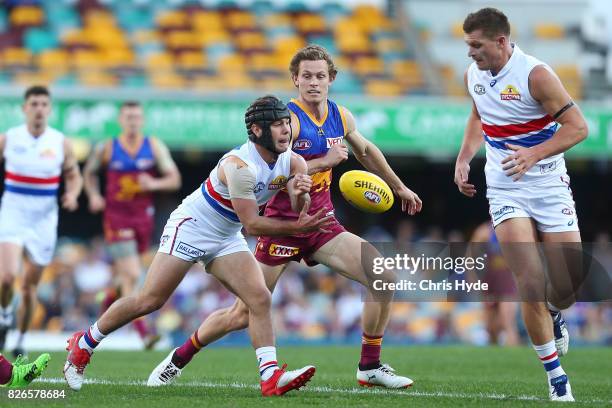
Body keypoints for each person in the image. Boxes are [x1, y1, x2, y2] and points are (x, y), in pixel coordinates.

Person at [149, 45, 422, 389]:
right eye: (306, 76)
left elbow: (365, 150)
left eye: (320, 76)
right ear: (295, 79)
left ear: (331, 79)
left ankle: (369, 366)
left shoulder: (341, 116)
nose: (313, 83)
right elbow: (280, 172)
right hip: (282, 225)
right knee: (242, 313)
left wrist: (399, 187)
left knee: (383, 277)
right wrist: (326, 160)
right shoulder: (287, 121)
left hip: (321, 224)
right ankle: (180, 357)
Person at [63, 95, 333, 396]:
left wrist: (300, 193)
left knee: (259, 298)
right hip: (192, 227)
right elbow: (253, 224)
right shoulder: (239, 166)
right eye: (278, 125)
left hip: (226, 233)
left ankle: (269, 376)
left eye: (287, 124)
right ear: (257, 131)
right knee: (149, 300)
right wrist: (298, 227)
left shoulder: (294, 161)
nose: (286, 131)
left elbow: (298, 205)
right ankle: (84, 343)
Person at [454, 8, 587, 401]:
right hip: (505, 186)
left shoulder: (536, 75)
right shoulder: (473, 75)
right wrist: (464, 157)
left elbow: (578, 127)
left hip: (548, 185)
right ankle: (555, 375)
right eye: (466, 46)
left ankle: (555, 309)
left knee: (565, 288)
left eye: (476, 45)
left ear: (501, 41)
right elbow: (479, 116)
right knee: (528, 280)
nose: (470, 53)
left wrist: (533, 155)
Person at [83, 101, 181, 349]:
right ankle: (144, 332)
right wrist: (94, 195)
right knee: (135, 274)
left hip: (142, 219)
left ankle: (109, 299)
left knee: (127, 277)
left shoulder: (154, 146)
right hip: (116, 218)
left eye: (136, 117)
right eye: (128, 117)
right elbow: (90, 173)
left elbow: (174, 178)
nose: (132, 121)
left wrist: (154, 184)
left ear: (142, 120)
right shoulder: (107, 148)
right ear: (120, 120)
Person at [0, 85, 82, 357]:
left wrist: (72, 193)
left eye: (43, 104)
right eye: (33, 103)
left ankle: (21, 337)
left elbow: (73, 175)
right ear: (24, 108)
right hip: (13, 212)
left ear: (49, 109)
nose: (38, 109)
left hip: (44, 219)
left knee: (29, 287)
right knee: (7, 277)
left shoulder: (59, 142)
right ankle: (3, 316)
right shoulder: (9, 138)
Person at [470, 222, 519, 346]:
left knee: (507, 323)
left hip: (508, 282)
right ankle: (494, 357)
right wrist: (473, 280)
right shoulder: (484, 231)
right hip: (490, 281)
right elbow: (469, 257)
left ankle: (515, 358)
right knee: (490, 327)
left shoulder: (515, 228)